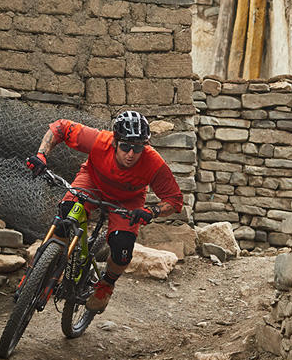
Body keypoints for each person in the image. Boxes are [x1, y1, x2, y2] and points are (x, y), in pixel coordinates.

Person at [26, 110, 182, 313]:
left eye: (138, 148)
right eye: (125, 146)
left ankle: (106, 285)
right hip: (92, 181)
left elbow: (174, 200)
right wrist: (41, 155)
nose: (131, 154)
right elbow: (60, 127)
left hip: (128, 200)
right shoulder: (100, 141)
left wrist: (152, 211)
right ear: (115, 142)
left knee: (122, 247)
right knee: (66, 214)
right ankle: (47, 265)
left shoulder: (153, 162)